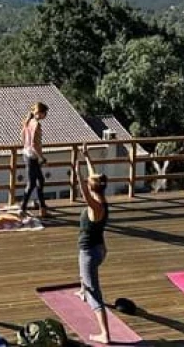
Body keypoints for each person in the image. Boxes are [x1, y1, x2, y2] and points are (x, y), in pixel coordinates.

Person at [75, 145, 111, 345]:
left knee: (94, 293)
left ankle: (105, 334)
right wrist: (87, 157)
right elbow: (92, 178)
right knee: (84, 275)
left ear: (91, 187)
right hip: (99, 248)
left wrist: (76, 171)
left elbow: (84, 187)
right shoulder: (102, 200)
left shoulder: (94, 206)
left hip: (89, 252)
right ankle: (82, 291)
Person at [19, 102, 49, 219]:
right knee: (32, 184)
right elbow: (34, 144)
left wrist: (26, 146)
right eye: (45, 113)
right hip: (32, 156)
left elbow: (22, 135)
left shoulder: (28, 121)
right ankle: (22, 209)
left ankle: (43, 209)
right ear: (40, 113)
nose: (45, 115)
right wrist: (42, 158)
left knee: (40, 180)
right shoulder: (36, 124)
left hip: (28, 154)